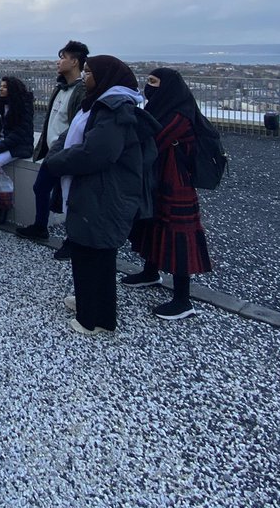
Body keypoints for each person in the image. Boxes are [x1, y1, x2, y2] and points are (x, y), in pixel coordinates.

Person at [42, 55, 158, 335]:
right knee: (88, 249)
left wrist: (56, 162)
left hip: (105, 191)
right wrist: (57, 153)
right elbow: (69, 136)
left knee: (95, 252)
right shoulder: (98, 104)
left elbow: (96, 153)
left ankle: (93, 319)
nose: (84, 76)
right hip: (94, 189)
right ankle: (90, 305)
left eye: (89, 71)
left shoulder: (115, 109)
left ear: (106, 76)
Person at [125, 67, 213, 320]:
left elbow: (153, 138)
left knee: (179, 235)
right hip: (158, 178)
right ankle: (150, 271)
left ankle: (183, 299)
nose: (148, 86)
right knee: (153, 224)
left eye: (153, 82)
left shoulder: (179, 115)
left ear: (168, 86)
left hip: (175, 183)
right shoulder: (161, 109)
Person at [16, 40, 89, 246]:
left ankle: (72, 240)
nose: (59, 62)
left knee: (70, 196)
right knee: (41, 187)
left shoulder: (80, 91)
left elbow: (77, 126)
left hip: (67, 153)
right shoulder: (60, 88)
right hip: (53, 153)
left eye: (63, 58)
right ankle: (41, 227)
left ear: (75, 62)